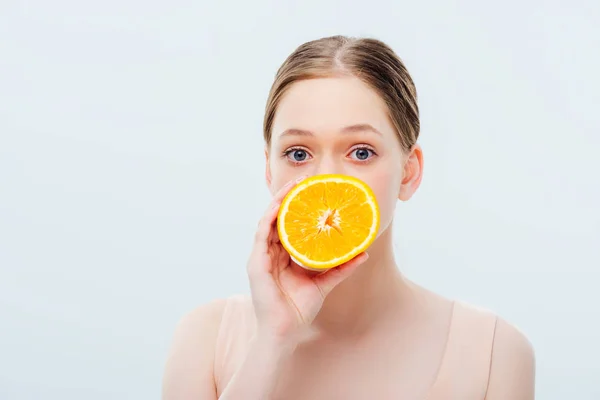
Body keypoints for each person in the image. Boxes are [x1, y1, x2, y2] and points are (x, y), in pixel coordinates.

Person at [162, 35, 535, 400]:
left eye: (360, 153)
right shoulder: (204, 340)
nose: (327, 179)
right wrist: (272, 340)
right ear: (269, 171)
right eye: (297, 153)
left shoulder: (494, 355)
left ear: (409, 172)